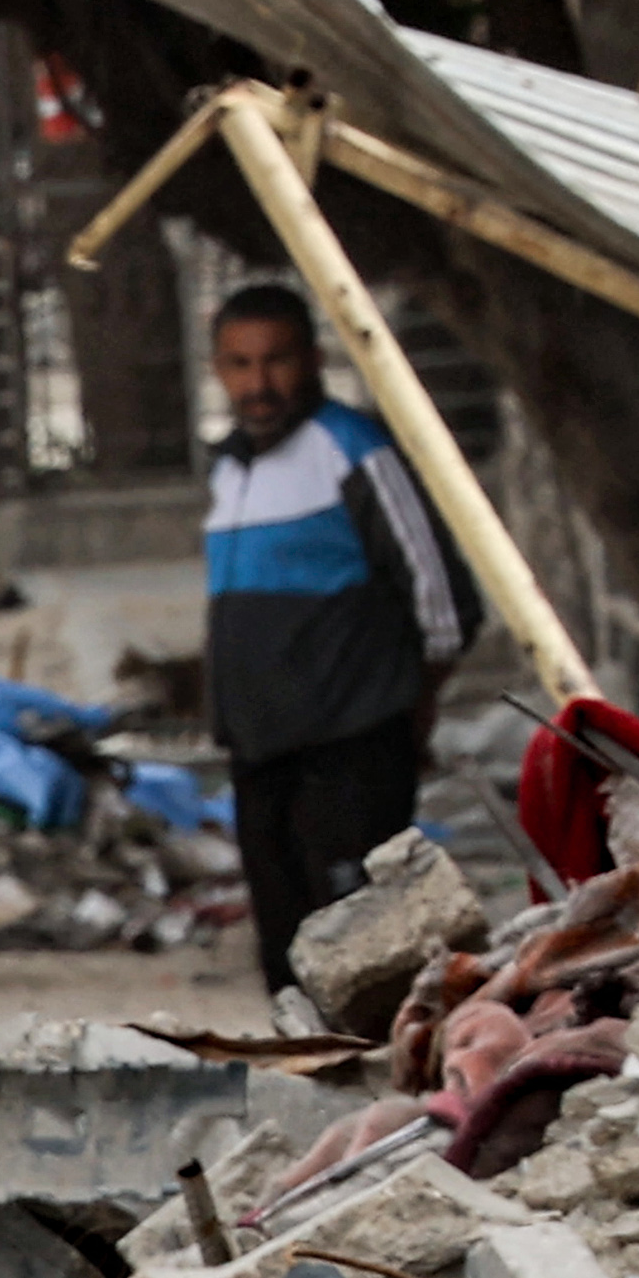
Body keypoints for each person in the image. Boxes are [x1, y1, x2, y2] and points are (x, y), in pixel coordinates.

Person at [201, 279, 472, 998]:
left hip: (349, 747)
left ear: (313, 360)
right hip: (261, 752)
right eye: (240, 364)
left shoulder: (354, 449)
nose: (259, 383)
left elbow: (442, 598)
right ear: (220, 371)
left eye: (276, 361)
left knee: (361, 947)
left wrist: (411, 704)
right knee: (285, 952)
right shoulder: (230, 468)